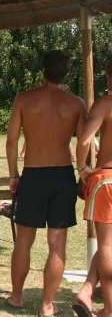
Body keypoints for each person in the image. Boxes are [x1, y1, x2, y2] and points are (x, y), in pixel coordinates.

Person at [6, 50, 87, 316]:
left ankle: (16, 297)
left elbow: (11, 141)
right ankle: (46, 305)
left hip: (33, 173)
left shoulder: (24, 99)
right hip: (62, 175)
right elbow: (85, 142)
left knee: (23, 242)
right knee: (57, 244)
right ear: (65, 74)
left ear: (42, 71)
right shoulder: (76, 104)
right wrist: (82, 173)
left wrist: (13, 174)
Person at [75, 60, 112, 317]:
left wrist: (82, 169)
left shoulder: (105, 103)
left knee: (107, 244)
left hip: (107, 178)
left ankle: (109, 308)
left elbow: (85, 139)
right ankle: (88, 289)